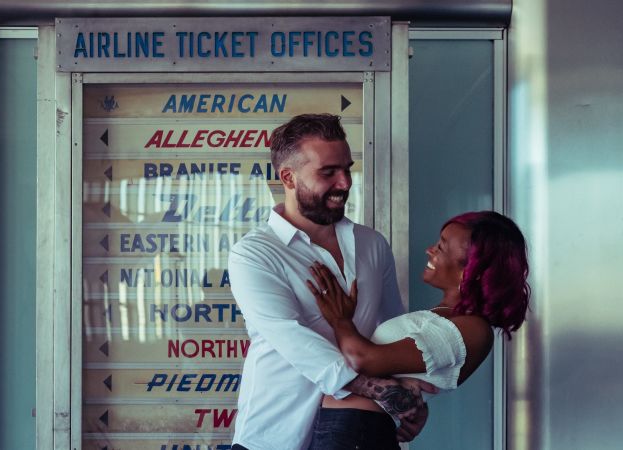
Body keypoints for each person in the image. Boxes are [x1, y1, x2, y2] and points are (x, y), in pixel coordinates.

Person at [227, 113, 433, 450]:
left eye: (347, 169)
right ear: (288, 177)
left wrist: (412, 394)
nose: (345, 183)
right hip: (275, 435)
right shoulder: (253, 254)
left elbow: (394, 331)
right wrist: (388, 394)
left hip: (357, 433)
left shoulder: (372, 244)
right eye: (328, 172)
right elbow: (295, 341)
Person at [306, 210, 530, 449]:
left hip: (357, 432)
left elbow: (362, 359)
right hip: (348, 429)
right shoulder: (443, 316)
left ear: (471, 271)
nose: (430, 250)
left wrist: (341, 319)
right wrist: (405, 400)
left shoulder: (473, 329)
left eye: (441, 247)